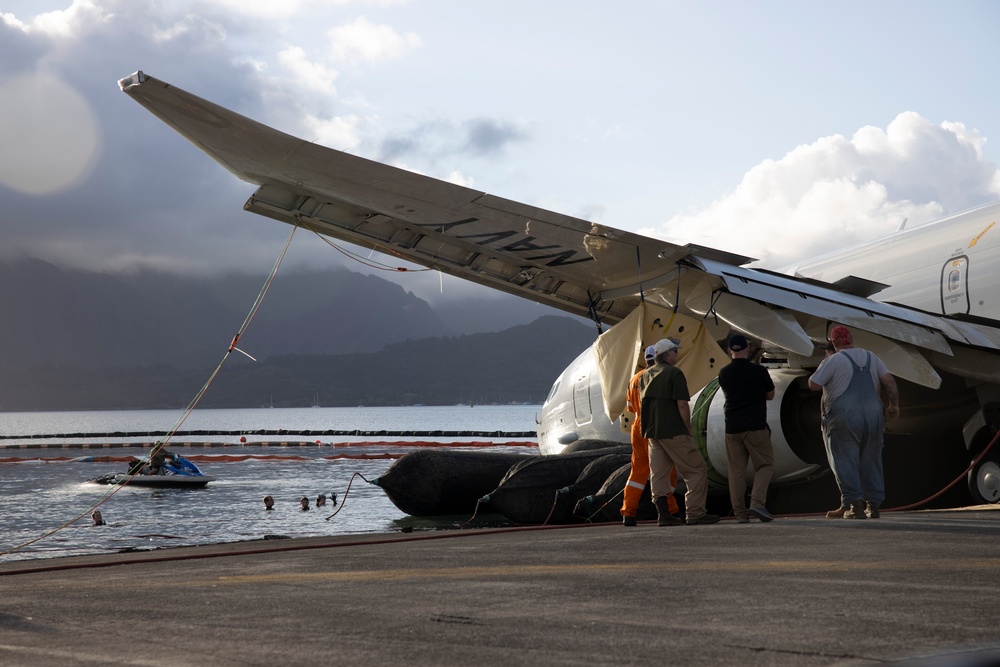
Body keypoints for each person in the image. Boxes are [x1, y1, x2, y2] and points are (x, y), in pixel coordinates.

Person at [809, 326, 900, 519]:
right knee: (871, 459)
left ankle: (855, 505)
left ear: (835, 343)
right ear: (851, 339)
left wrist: (825, 365)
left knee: (845, 460)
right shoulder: (871, 357)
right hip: (874, 416)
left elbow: (813, 384)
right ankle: (873, 505)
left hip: (845, 417)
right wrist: (894, 405)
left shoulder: (833, 360)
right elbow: (889, 382)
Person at [639, 337, 720, 525]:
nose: (678, 353)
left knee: (658, 474)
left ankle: (663, 515)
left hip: (652, 433)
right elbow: (682, 404)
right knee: (696, 470)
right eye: (675, 351)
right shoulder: (674, 374)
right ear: (668, 354)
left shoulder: (645, 375)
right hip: (673, 430)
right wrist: (687, 428)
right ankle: (695, 513)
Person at [717, 334, 776, 523]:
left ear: (729, 351)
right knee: (765, 464)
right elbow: (770, 395)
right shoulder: (759, 371)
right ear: (747, 349)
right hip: (755, 426)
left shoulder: (724, 373)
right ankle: (757, 503)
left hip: (732, 428)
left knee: (736, 472)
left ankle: (740, 513)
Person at [621, 346, 680, 526]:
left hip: (637, 426)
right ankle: (669, 511)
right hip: (653, 425)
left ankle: (628, 513)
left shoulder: (633, 380)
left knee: (637, 472)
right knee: (665, 470)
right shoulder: (657, 375)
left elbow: (630, 407)